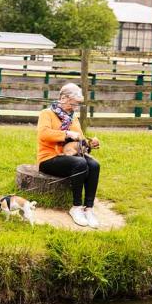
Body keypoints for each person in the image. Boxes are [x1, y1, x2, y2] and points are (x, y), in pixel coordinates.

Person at [36, 83, 101, 228]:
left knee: (94, 165)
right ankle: (76, 207)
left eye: (78, 104)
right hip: (48, 158)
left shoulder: (73, 118)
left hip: (70, 156)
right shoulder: (47, 114)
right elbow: (43, 134)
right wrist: (66, 134)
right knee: (80, 163)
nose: (76, 107)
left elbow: (81, 141)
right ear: (64, 98)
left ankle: (88, 208)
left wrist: (90, 144)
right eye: (74, 103)